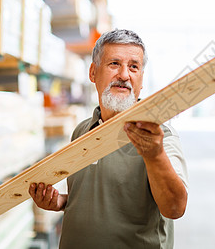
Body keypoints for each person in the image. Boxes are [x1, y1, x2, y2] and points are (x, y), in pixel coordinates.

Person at [28, 29, 188, 248]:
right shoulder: (82, 131)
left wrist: (155, 155)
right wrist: (61, 202)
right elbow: (98, 197)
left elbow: (175, 208)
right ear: (93, 73)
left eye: (134, 66)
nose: (124, 75)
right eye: (114, 63)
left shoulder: (159, 137)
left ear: (141, 77)